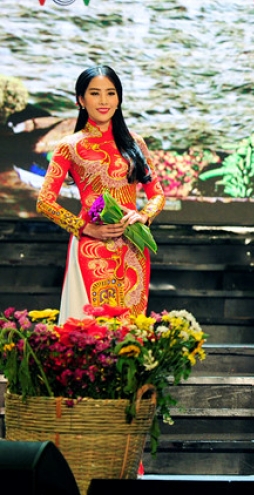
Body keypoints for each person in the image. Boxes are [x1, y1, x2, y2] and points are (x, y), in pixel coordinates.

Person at [37, 66, 165, 321]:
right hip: (92, 246)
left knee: (131, 328)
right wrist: (85, 228)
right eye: (95, 93)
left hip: (132, 246)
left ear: (119, 98)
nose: (104, 101)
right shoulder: (68, 146)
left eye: (111, 93)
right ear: (81, 100)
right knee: (92, 328)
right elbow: (44, 202)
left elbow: (157, 194)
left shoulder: (134, 142)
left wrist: (143, 216)